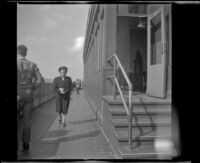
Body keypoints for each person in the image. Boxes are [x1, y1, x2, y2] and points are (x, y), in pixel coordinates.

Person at [17, 45, 44, 152]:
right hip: (28, 93)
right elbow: (39, 79)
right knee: (27, 120)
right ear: (26, 53)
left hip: (17, 93)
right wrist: (33, 86)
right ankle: (26, 143)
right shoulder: (33, 64)